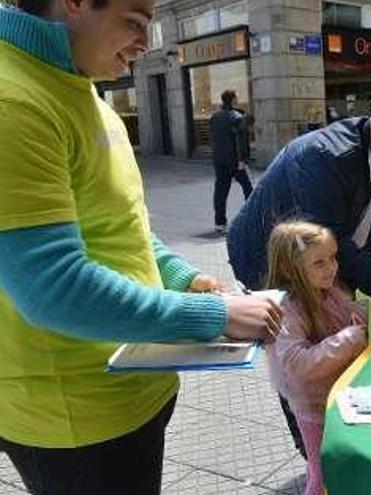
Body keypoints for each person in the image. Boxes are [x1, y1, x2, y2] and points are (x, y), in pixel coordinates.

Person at [0, 2, 282, 494]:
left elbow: (121, 223)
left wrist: (180, 275)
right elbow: (52, 289)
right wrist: (215, 317)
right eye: (133, 20)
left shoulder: (84, 91)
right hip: (76, 418)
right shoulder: (15, 99)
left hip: (131, 386)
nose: (146, 42)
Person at [227, 91, 371, 456]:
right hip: (268, 262)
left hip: (322, 260)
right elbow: (336, 244)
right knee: (294, 357)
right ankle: (312, 448)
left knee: (332, 335)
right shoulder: (324, 158)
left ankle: (334, 432)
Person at [264, 221, 367, 495]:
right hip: (313, 408)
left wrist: (363, 319)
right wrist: (351, 338)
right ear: (290, 269)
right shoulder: (287, 309)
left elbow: (350, 315)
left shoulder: (330, 290)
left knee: (339, 466)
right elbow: (297, 362)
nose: (331, 267)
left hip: (337, 396)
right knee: (322, 473)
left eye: (333, 258)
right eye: (319, 263)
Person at [210, 89, 253, 234]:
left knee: (220, 192)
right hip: (235, 161)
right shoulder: (237, 117)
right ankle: (251, 218)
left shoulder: (215, 117)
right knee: (249, 188)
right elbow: (240, 141)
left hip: (220, 160)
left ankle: (220, 223)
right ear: (233, 100)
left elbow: (213, 140)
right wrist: (242, 160)